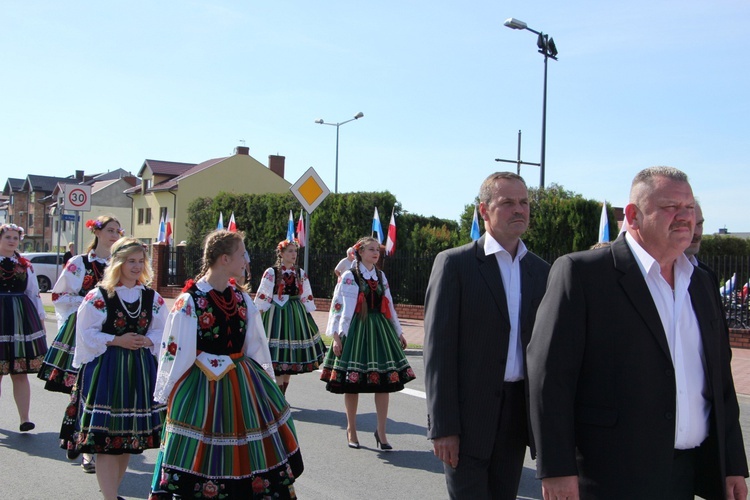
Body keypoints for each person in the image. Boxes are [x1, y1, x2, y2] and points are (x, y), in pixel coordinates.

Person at [527, 167, 749, 499]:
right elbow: (549, 379)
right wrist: (557, 468)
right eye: (670, 207)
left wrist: (732, 463)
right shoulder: (583, 274)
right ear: (633, 215)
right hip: (610, 477)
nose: (684, 217)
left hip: (687, 473)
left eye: (689, 208)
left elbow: (719, 380)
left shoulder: (701, 282)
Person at [423, 172, 550, 499]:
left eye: (524, 202)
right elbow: (439, 354)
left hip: (515, 419)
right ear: (484, 210)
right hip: (466, 422)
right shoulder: (455, 265)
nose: (519, 209)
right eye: (508, 202)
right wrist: (444, 428)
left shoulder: (541, 271)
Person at [149, 230, 303, 499]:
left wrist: (264, 386)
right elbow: (176, 352)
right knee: (203, 453)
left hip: (242, 383)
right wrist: (170, 393)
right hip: (201, 386)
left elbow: (254, 345)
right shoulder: (191, 301)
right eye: (241, 254)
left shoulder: (242, 298)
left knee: (248, 449)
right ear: (224, 259)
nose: (246, 259)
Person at [63, 238, 167, 500]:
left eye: (140, 261)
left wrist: (147, 339)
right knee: (107, 439)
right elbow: (85, 334)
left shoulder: (151, 296)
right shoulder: (98, 296)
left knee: (127, 441)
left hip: (139, 369)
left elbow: (164, 331)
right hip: (107, 369)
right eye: (131, 261)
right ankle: (109, 497)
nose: (136, 266)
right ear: (118, 263)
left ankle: (112, 493)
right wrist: (117, 340)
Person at [39, 215, 122, 473]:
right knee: (83, 388)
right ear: (96, 232)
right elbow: (58, 296)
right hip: (82, 331)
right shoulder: (80, 263)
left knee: (100, 391)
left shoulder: (121, 263)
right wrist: (91, 302)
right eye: (110, 230)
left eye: (118, 231)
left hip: (112, 332)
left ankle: (84, 441)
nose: (115, 234)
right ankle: (82, 442)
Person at [320, 236, 416, 450]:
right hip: (355, 330)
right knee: (351, 383)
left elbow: (389, 305)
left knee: (384, 384)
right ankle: (351, 429)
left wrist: (398, 332)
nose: (375, 253)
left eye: (377, 250)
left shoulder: (381, 276)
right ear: (360, 252)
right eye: (371, 249)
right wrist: (336, 337)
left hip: (380, 330)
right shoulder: (349, 276)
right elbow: (338, 306)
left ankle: (381, 432)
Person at [254, 239, 326, 394]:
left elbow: (306, 295)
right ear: (281, 253)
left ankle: (282, 395)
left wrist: (306, 318)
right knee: (277, 359)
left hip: (294, 315)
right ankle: (279, 398)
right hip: (275, 316)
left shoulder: (300, 273)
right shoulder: (271, 272)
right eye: (290, 251)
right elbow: (263, 296)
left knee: (289, 360)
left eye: (295, 251)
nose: (294, 255)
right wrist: (257, 322)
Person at [0, 223, 47, 432]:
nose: (12, 241)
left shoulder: (25, 265)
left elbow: (33, 293)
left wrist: (40, 319)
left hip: (20, 318)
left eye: (15, 238)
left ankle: (24, 419)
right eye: (8, 237)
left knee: (19, 371)